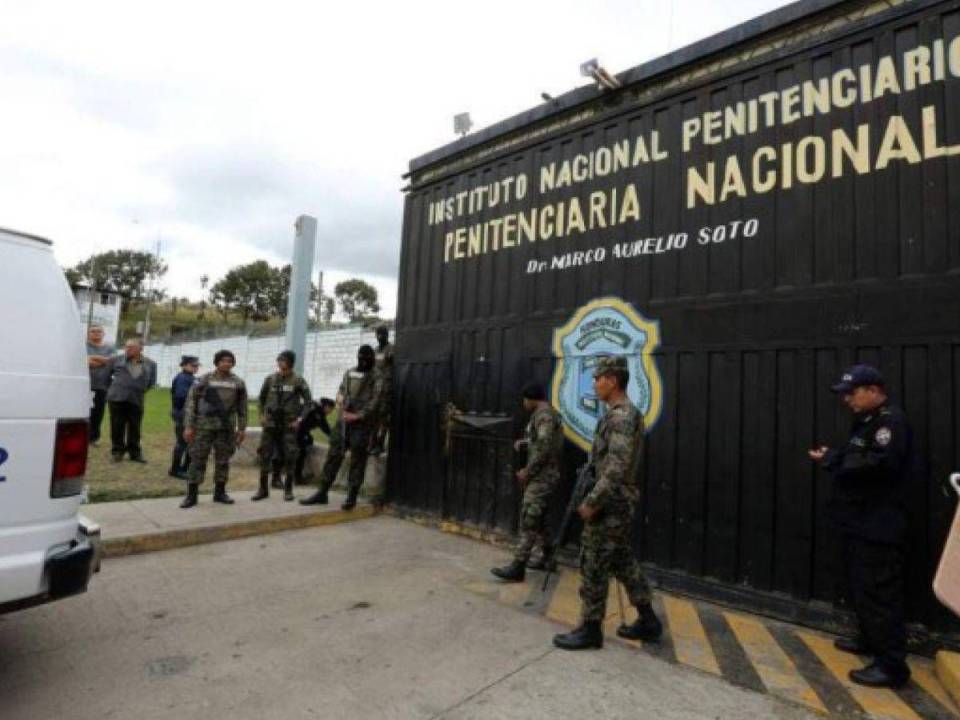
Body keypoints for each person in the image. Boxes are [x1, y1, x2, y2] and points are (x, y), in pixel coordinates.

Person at [808, 364, 913, 688]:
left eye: (852, 393)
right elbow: (859, 455)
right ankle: (870, 640)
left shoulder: (889, 423)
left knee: (880, 594)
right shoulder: (868, 422)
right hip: (860, 522)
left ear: (873, 390)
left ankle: (892, 666)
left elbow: (878, 464)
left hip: (879, 525)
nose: (847, 399)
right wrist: (836, 455)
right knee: (862, 588)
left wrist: (833, 461)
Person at [553, 355, 662, 650]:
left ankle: (590, 629)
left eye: (597, 378)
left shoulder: (622, 416)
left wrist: (592, 501)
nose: (594, 383)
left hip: (610, 504)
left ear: (612, 380)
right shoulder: (617, 414)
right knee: (622, 561)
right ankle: (649, 620)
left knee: (593, 562)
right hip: (615, 501)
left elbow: (615, 466)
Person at [491, 382, 563, 582]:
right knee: (540, 519)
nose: (523, 403)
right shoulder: (543, 415)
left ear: (532, 399)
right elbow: (541, 441)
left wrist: (527, 471)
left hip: (542, 477)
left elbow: (545, 447)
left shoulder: (544, 416)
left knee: (529, 518)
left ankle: (518, 566)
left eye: (524, 399)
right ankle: (548, 558)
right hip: (544, 475)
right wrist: (525, 442)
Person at [301, 345, 383, 511]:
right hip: (343, 422)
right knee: (333, 456)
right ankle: (322, 492)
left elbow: (375, 401)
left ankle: (351, 496)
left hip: (362, 425)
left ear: (371, 359)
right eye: (360, 358)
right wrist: (339, 400)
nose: (362, 362)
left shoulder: (377, 376)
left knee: (357, 460)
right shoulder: (350, 372)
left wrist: (358, 415)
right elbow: (341, 390)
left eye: (366, 359)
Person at [181, 350, 248, 509]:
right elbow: (191, 403)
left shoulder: (238, 382)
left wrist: (242, 428)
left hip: (225, 428)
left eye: (230, 361)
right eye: (223, 360)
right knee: (197, 459)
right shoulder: (204, 380)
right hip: (204, 426)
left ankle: (220, 493)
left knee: (223, 460)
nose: (226, 363)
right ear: (217, 362)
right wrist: (189, 426)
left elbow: (242, 407)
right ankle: (192, 495)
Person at [253, 350, 312, 502]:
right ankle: (263, 489)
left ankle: (288, 489)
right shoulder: (270, 379)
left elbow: (308, 403)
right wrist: (261, 415)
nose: (280, 363)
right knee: (265, 454)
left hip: (288, 425)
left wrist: (299, 419)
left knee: (290, 456)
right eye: (279, 360)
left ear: (290, 362)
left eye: (283, 360)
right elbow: (261, 399)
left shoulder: (298, 380)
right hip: (270, 424)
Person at [105, 338, 157, 463]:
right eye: (126, 346)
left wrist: (138, 389)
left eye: (131, 347)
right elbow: (106, 377)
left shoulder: (151, 364)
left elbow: (151, 382)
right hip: (117, 398)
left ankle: (135, 453)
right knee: (117, 426)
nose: (127, 349)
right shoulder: (115, 360)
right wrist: (114, 389)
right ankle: (117, 451)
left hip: (136, 399)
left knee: (135, 427)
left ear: (141, 348)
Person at [293, 397, 337, 486]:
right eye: (330, 410)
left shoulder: (318, 411)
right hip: (296, 431)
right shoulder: (316, 410)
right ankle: (297, 478)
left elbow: (325, 427)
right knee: (301, 453)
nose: (330, 412)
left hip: (300, 431)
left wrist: (333, 437)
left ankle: (296, 477)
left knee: (307, 443)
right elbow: (323, 426)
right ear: (327, 406)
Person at [169, 355, 199, 479]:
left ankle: (185, 468)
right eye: (193, 365)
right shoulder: (183, 378)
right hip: (183, 413)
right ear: (185, 365)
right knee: (183, 442)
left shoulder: (190, 378)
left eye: (197, 366)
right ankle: (176, 469)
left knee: (190, 442)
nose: (196, 368)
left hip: (188, 413)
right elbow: (182, 396)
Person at [86, 324, 116, 445]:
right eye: (93, 331)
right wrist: (103, 361)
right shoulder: (83, 346)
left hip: (102, 385)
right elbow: (84, 361)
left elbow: (113, 361)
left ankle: (95, 437)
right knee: (85, 411)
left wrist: (93, 358)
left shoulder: (110, 347)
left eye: (99, 331)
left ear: (103, 334)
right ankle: (84, 435)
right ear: (88, 334)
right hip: (85, 385)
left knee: (98, 412)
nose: (96, 333)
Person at [369, 324, 394, 456]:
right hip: (375, 391)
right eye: (378, 334)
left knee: (384, 419)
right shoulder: (375, 350)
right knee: (373, 418)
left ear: (387, 335)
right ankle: (372, 443)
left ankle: (380, 445)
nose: (379, 336)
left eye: (382, 334)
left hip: (386, 391)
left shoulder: (392, 349)